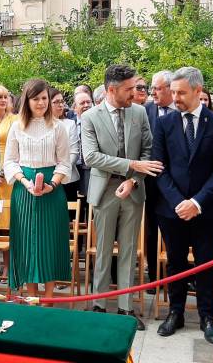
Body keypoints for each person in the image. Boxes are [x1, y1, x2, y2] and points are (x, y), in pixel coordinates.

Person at [151, 67, 213, 343]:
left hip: (205, 209)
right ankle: (176, 312)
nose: (175, 98)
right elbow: (160, 168)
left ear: (198, 91)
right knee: (176, 262)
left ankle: (207, 315)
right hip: (171, 210)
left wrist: (196, 202)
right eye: (172, 92)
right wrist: (179, 202)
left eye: (181, 93)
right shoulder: (164, 124)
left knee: (206, 263)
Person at [81, 65, 162, 329]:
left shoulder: (140, 113)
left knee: (129, 250)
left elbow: (148, 151)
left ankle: (126, 309)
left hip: (133, 190)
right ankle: (98, 304)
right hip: (104, 191)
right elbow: (91, 157)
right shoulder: (90, 116)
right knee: (103, 250)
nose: (136, 93)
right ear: (111, 90)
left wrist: (133, 180)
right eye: (129, 89)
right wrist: (131, 165)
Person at [3, 78, 71, 304]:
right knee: (26, 241)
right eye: (36, 99)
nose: (41, 103)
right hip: (24, 191)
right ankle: (32, 296)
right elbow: (10, 162)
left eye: (44, 98)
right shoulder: (16, 126)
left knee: (50, 241)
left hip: (52, 190)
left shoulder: (58, 127)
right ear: (27, 101)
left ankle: (49, 298)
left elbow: (64, 162)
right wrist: (25, 181)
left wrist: (52, 184)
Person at [143, 70, 175, 286]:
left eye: (157, 88)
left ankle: (181, 275)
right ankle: (155, 276)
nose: (152, 92)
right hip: (151, 182)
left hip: (178, 183)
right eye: (152, 87)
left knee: (177, 231)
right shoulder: (145, 111)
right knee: (152, 229)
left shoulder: (181, 111)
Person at [50, 88, 80, 202]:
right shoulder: (39, 125)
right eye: (56, 102)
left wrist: (62, 170)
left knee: (69, 216)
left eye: (62, 101)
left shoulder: (70, 124)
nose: (60, 105)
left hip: (68, 177)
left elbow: (74, 152)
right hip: (46, 176)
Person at [72, 91, 93, 197]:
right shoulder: (70, 125)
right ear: (75, 108)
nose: (86, 105)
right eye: (82, 103)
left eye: (88, 102)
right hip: (74, 169)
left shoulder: (98, 123)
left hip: (91, 169)